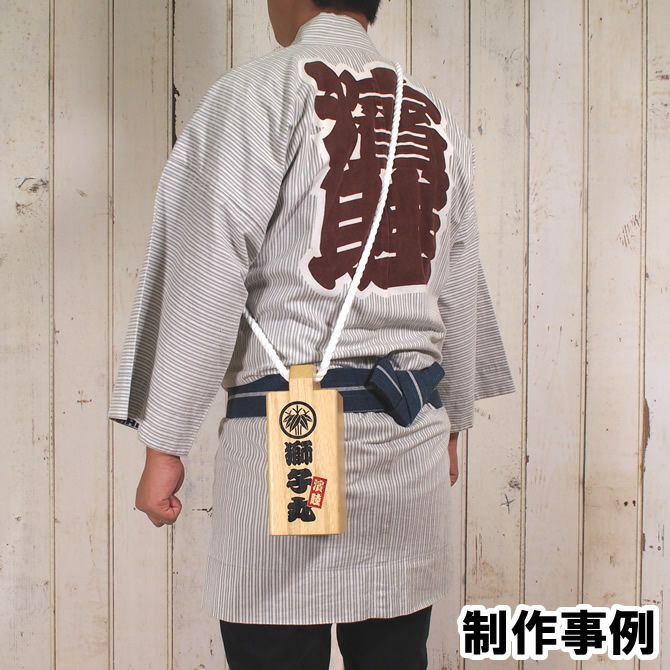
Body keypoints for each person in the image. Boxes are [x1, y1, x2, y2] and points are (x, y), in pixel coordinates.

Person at [108, 1, 516, 667]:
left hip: (287, 436)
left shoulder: (257, 92)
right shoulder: (433, 115)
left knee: (275, 648)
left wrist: (165, 444)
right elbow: (458, 283)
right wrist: (453, 425)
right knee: (393, 652)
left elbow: (205, 270)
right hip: (410, 438)